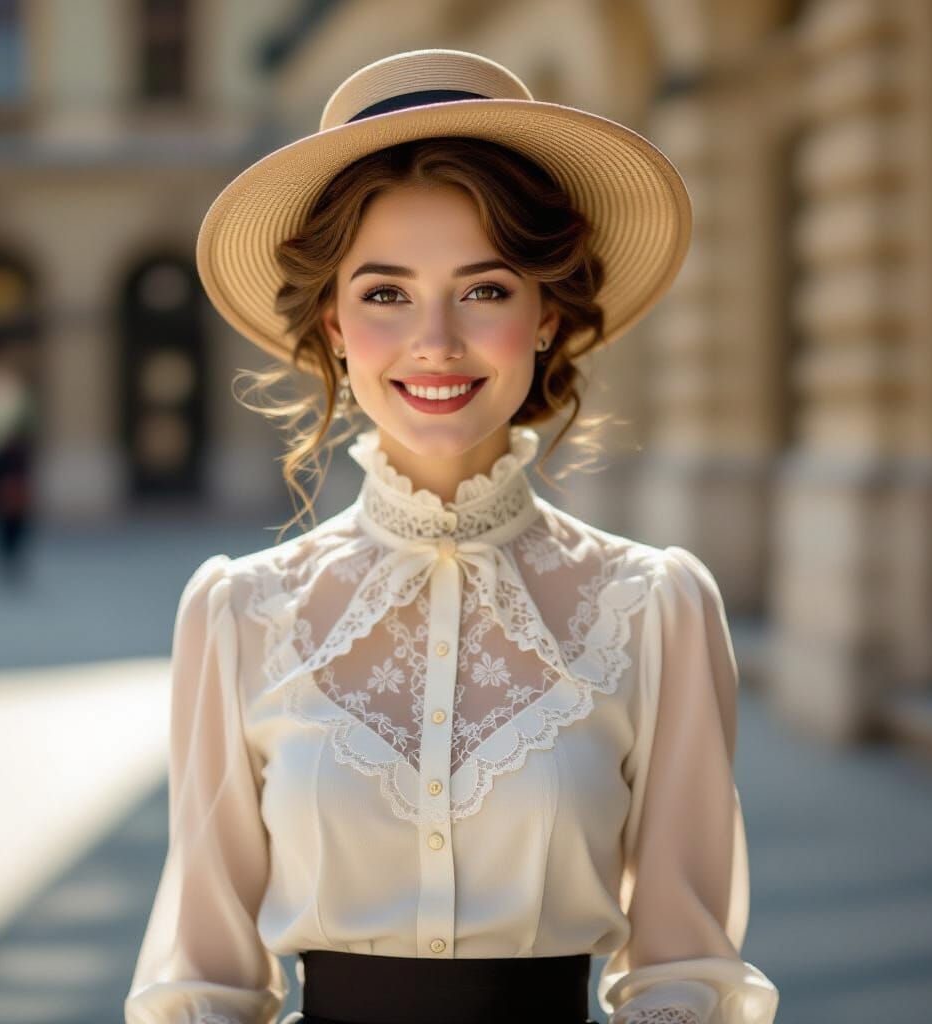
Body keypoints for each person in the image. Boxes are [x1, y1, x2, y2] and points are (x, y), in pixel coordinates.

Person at [124, 49, 780, 1024]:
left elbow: (685, 970)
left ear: (547, 314)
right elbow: (204, 982)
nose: (434, 340)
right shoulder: (238, 613)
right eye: (385, 293)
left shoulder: (656, 608)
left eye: (485, 290)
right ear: (334, 324)